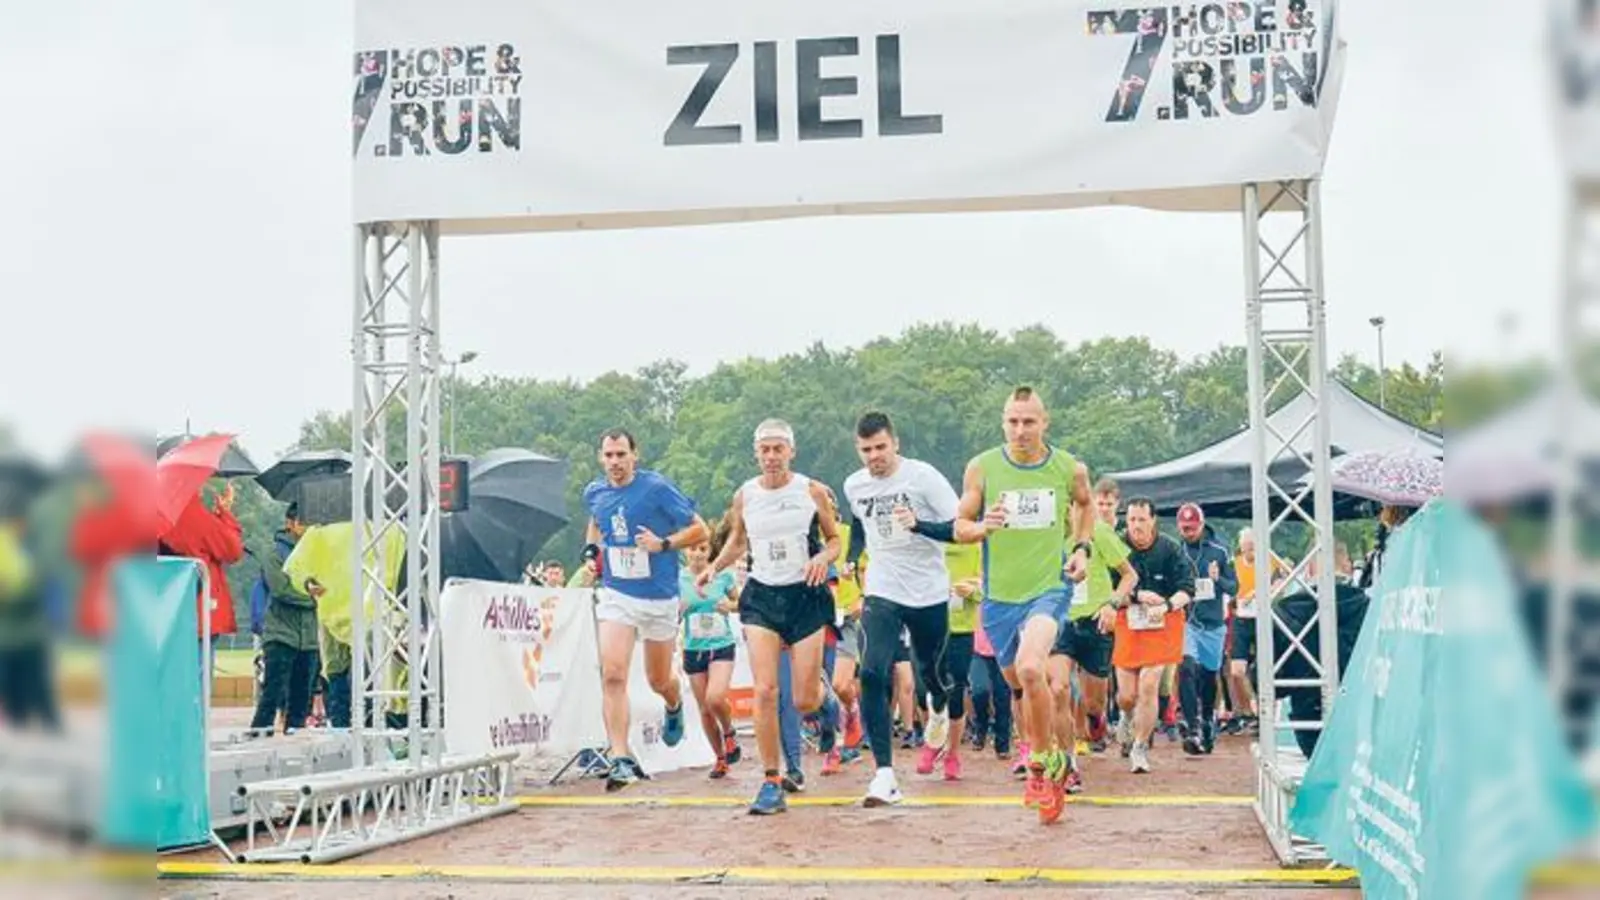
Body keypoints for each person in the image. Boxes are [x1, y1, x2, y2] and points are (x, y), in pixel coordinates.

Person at [954, 386, 1094, 824]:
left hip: (1049, 588)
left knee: (1034, 668)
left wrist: (1082, 548)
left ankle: (1041, 764)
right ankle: (1050, 754)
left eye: (1029, 421)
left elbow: (1086, 506)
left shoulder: (1069, 467)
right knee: (1020, 684)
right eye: (1013, 422)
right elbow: (959, 526)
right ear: (1003, 423)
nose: (1020, 430)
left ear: (1044, 423)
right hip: (999, 599)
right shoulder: (982, 467)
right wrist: (983, 527)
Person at [698, 419, 841, 815]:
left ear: (791, 451)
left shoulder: (811, 491)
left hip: (805, 595)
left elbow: (834, 540)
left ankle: (827, 703)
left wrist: (822, 557)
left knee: (803, 699)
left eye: (779, 449)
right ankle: (771, 781)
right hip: (761, 596)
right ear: (756, 454)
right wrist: (714, 567)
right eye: (765, 450)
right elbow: (737, 542)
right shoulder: (745, 495)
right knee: (765, 690)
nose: (772, 457)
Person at [842, 411, 967, 806]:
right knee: (872, 671)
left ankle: (938, 707)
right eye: (866, 450)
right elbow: (859, 524)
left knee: (931, 674)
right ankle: (884, 775)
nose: (874, 456)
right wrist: (853, 556)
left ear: (895, 443)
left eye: (880, 447)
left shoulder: (923, 477)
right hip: (883, 588)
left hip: (928, 591)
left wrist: (919, 526)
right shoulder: (854, 484)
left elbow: (959, 528)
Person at [582, 428, 710, 791]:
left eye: (621, 454)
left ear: (634, 455)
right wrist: (591, 551)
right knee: (613, 674)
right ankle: (621, 758)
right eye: (609, 455)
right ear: (600, 457)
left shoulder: (656, 488)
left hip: (658, 597)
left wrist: (663, 543)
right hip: (617, 594)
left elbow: (700, 531)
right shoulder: (595, 492)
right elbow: (596, 520)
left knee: (658, 680)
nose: (615, 462)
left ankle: (673, 703)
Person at [1046, 483, 1137, 791]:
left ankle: (1098, 723)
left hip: (1096, 622)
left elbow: (1130, 575)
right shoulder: (1050, 536)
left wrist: (1112, 604)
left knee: (1092, 705)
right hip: (1059, 621)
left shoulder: (1099, 532)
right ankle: (1068, 764)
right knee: (1058, 689)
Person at [1110, 498, 1194, 774]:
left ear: (1153, 521)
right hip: (1128, 621)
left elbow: (1188, 589)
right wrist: (1136, 595)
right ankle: (1125, 714)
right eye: (1131, 520)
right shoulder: (1116, 546)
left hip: (1162, 623)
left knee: (1149, 684)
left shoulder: (1170, 549)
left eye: (1142, 520)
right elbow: (1108, 591)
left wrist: (1166, 605)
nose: (1136, 526)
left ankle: (1140, 747)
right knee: (1126, 695)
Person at [248, 504, 321, 734]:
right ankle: (260, 734)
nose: (307, 527)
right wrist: (311, 599)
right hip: (281, 635)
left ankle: (296, 736)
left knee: (302, 697)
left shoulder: (317, 552)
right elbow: (280, 589)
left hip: (309, 638)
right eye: (302, 521)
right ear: (289, 523)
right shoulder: (275, 554)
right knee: (272, 693)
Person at [1174, 503, 1237, 756]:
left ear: (1201, 525)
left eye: (1192, 528)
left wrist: (1217, 579)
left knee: (1208, 677)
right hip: (1186, 622)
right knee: (1186, 668)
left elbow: (1234, 588)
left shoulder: (1220, 551)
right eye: (1184, 528)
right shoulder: (1177, 551)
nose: (1188, 533)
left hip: (1212, 624)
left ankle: (1209, 719)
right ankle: (1193, 726)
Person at [679, 526, 742, 779]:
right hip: (693, 648)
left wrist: (730, 606)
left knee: (715, 697)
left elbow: (741, 603)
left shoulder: (723, 575)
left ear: (710, 551)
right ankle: (720, 758)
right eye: (692, 549)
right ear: (685, 552)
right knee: (704, 709)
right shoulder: (678, 579)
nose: (697, 554)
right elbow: (669, 613)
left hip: (721, 644)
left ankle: (729, 732)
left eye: (703, 549)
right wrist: (677, 610)